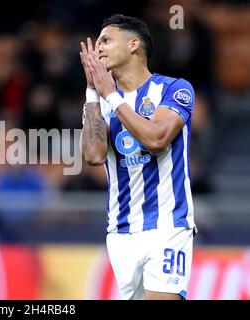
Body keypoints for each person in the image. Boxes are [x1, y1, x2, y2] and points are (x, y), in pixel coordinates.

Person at [79, 14, 196, 300]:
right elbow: (93, 155)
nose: (99, 49)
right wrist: (93, 92)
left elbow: (156, 139)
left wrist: (111, 96)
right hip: (120, 231)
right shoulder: (103, 101)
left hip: (168, 225)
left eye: (106, 40)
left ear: (134, 45)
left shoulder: (174, 88)